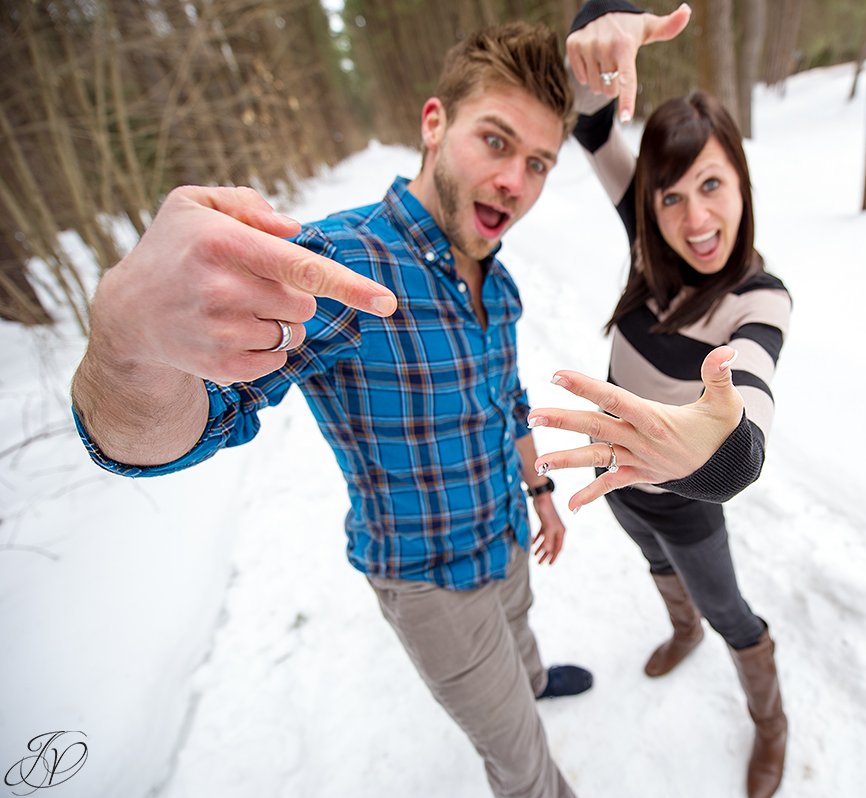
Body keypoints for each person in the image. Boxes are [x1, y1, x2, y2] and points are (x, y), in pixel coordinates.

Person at [71, 22, 591, 798]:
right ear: (434, 124)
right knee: (522, 765)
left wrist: (540, 495)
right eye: (496, 141)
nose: (516, 179)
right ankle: (521, 732)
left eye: (538, 163)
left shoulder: (498, 278)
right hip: (434, 584)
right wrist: (126, 350)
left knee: (521, 637)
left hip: (506, 533)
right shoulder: (340, 267)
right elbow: (197, 419)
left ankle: (531, 677)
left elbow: (505, 398)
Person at [524, 4, 793, 797]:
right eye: (670, 196)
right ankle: (680, 631)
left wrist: (716, 450)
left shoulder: (759, 300)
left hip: (687, 496)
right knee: (651, 561)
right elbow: (591, 120)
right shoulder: (651, 237)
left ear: (743, 180)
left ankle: (769, 719)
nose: (694, 218)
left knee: (730, 611)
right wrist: (600, 22)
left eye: (712, 185)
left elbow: (748, 420)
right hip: (619, 479)